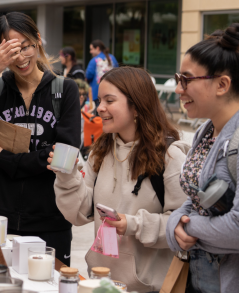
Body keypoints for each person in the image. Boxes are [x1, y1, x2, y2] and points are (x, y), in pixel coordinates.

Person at [51, 67, 189, 292]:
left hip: (146, 287)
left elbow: (182, 225)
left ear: (136, 106)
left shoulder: (170, 155)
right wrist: (67, 177)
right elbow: (79, 212)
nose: (100, 108)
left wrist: (132, 224)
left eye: (109, 100)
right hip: (100, 283)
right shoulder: (101, 150)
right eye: (99, 100)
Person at [0, 12, 81, 265]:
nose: (21, 58)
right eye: (11, 51)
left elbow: (63, 156)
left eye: (25, 46)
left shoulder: (65, 89)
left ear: (37, 40)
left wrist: (5, 159)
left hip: (50, 219)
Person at [165, 24, 239, 293]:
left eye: (186, 79)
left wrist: (189, 227)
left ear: (222, 84)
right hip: (197, 276)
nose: (177, 89)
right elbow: (196, 197)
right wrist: (174, 225)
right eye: (177, 78)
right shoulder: (204, 131)